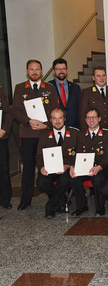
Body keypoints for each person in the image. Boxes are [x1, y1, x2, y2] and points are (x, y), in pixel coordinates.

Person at [12, 60, 58, 210]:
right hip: (28, 134)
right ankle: (25, 200)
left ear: (41, 70)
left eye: (37, 69)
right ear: (27, 71)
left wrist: (47, 125)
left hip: (46, 133)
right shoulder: (20, 88)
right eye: (31, 69)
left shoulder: (50, 88)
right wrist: (28, 121)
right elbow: (16, 111)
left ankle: (55, 197)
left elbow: (56, 110)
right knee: (29, 168)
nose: (34, 72)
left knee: (50, 166)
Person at [35, 107, 78, 218]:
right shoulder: (44, 135)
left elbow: (79, 154)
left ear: (64, 119)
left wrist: (69, 166)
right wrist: (41, 168)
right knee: (40, 182)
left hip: (66, 169)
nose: (57, 121)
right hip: (49, 169)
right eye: (54, 118)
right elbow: (39, 155)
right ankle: (61, 200)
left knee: (64, 180)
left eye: (60, 118)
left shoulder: (74, 133)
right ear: (50, 120)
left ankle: (50, 207)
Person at [69, 108, 108, 217]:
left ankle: (100, 207)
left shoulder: (107, 135)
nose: (91, 120)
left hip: (101, 167)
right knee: (74, 176)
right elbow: (76, 152)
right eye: (89, 117)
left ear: (99, 119)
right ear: (85, 120)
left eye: (94, 117)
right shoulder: (81, 135)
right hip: (84, 167)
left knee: (97, 179)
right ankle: (82, 206)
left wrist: (99, 167)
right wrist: (73, 166)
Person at [79, 66, 108, 131]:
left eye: (103, 75)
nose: (102, 78)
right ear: (93, 78)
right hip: (95, 130)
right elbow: (83, 114)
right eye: (98, 76)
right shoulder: (87, 92)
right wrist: (85, 132)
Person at [49, 58, 82, 129]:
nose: (61, 71)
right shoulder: (48, 87)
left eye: (64, 68)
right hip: (54, 128)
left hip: (73, 128)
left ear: (67, 71)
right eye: (58, 69)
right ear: (53, 71)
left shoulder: (76, 87)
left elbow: (80, 108)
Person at [0, 87, 13, 209]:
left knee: (3, 168)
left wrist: (4, 130)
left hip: (0, 137)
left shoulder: (0, 91)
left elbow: (7, 113)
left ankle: (5, 199)